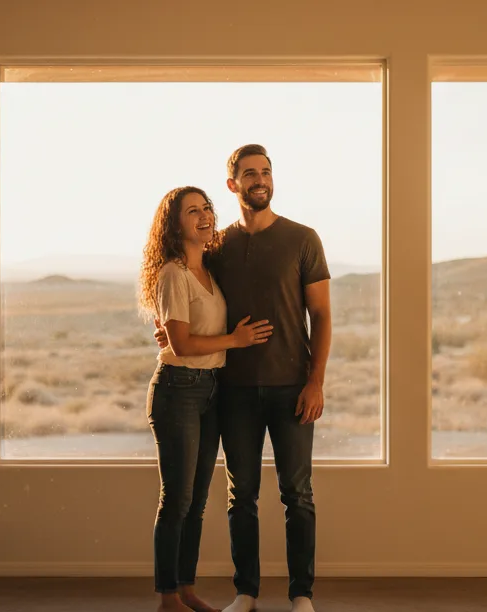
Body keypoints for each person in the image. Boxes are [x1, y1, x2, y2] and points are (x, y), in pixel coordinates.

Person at [155, 145, 332, 612]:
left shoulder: (304, 239)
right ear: (232, 184)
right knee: (242, 497)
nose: (260, 180)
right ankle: (246, 593)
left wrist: (316, 381)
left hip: (293, 387)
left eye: (266, 172)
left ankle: (301, 596)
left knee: (298, 495)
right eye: (249, 173)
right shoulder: (219, 246)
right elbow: (191, 295)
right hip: (233, 393)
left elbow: (323, 316)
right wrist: (167, 331)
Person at [138, 185, 275, 612]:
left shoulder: (207, 271)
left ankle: (185, 588)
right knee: (176, 498)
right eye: (191, 211)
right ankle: (166, 597)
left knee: (196, 501)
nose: (203, 216)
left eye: (205, 208)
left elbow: (181, 331)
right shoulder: (174, 274)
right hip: (178, 389)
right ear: (173, 224)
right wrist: (235, 340)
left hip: (210, 390)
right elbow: (178, 345)